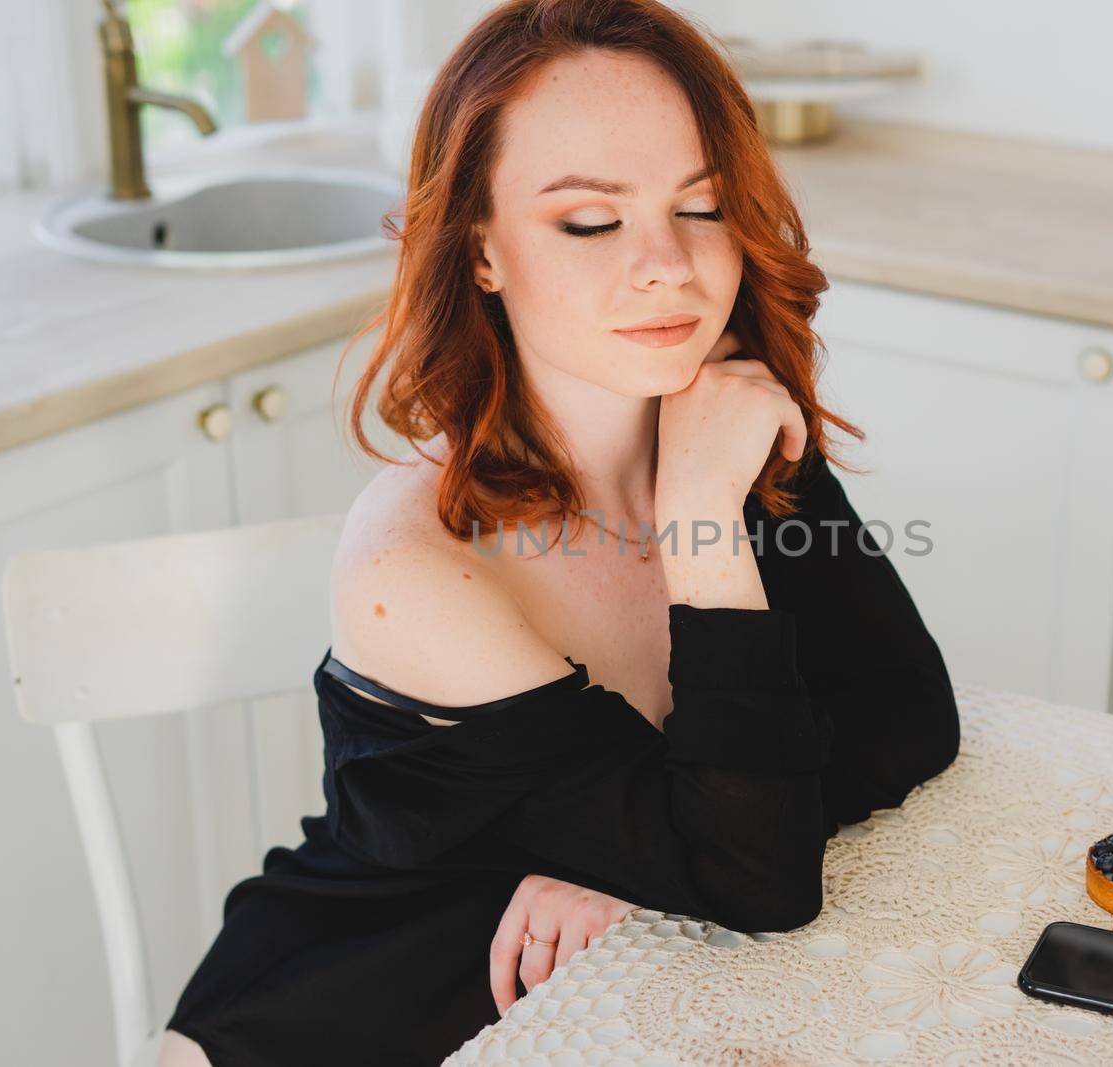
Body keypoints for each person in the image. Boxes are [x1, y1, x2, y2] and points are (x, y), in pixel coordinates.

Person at [156, 1, 960, 1063]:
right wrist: (698, 529)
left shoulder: (722, 427)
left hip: (581, 1011)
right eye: (589, 221)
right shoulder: (420, 562)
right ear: (480, 250)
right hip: (350, 1016)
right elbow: (759, 879)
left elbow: (908, 713)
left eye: (703, 205)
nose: (667, 263)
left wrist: (654, 853)